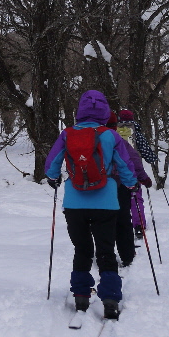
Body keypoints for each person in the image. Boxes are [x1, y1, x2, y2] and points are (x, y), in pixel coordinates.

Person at [45, 90, 136, 320]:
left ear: (80, 111)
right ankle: (111, 299)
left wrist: (53, 178)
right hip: (106, 202)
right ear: (105, 111)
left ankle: (81, 297)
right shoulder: (110, 136)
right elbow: (124, 166)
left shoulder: (67, 134)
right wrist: (131, 184)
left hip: (74, 204)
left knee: (82, 249)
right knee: (106, 250)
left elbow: (53, 163)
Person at [106, 111, 154, 267]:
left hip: (101, 184)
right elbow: (136, 156)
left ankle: (104, 253)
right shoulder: (132, 133)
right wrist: (143, 176)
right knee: (132, 203)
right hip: (125, 179)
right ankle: (138, 225)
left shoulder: (98, 135)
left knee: (104, 219)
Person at [117, 109, 156, 239]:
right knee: (135, 197)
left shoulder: (113, 132)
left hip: (116, 170)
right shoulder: (136, 133)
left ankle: (118, 225)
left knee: (118, 198)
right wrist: (152, 159)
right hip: (134, 169)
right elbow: (146, 151)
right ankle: (139, 225)